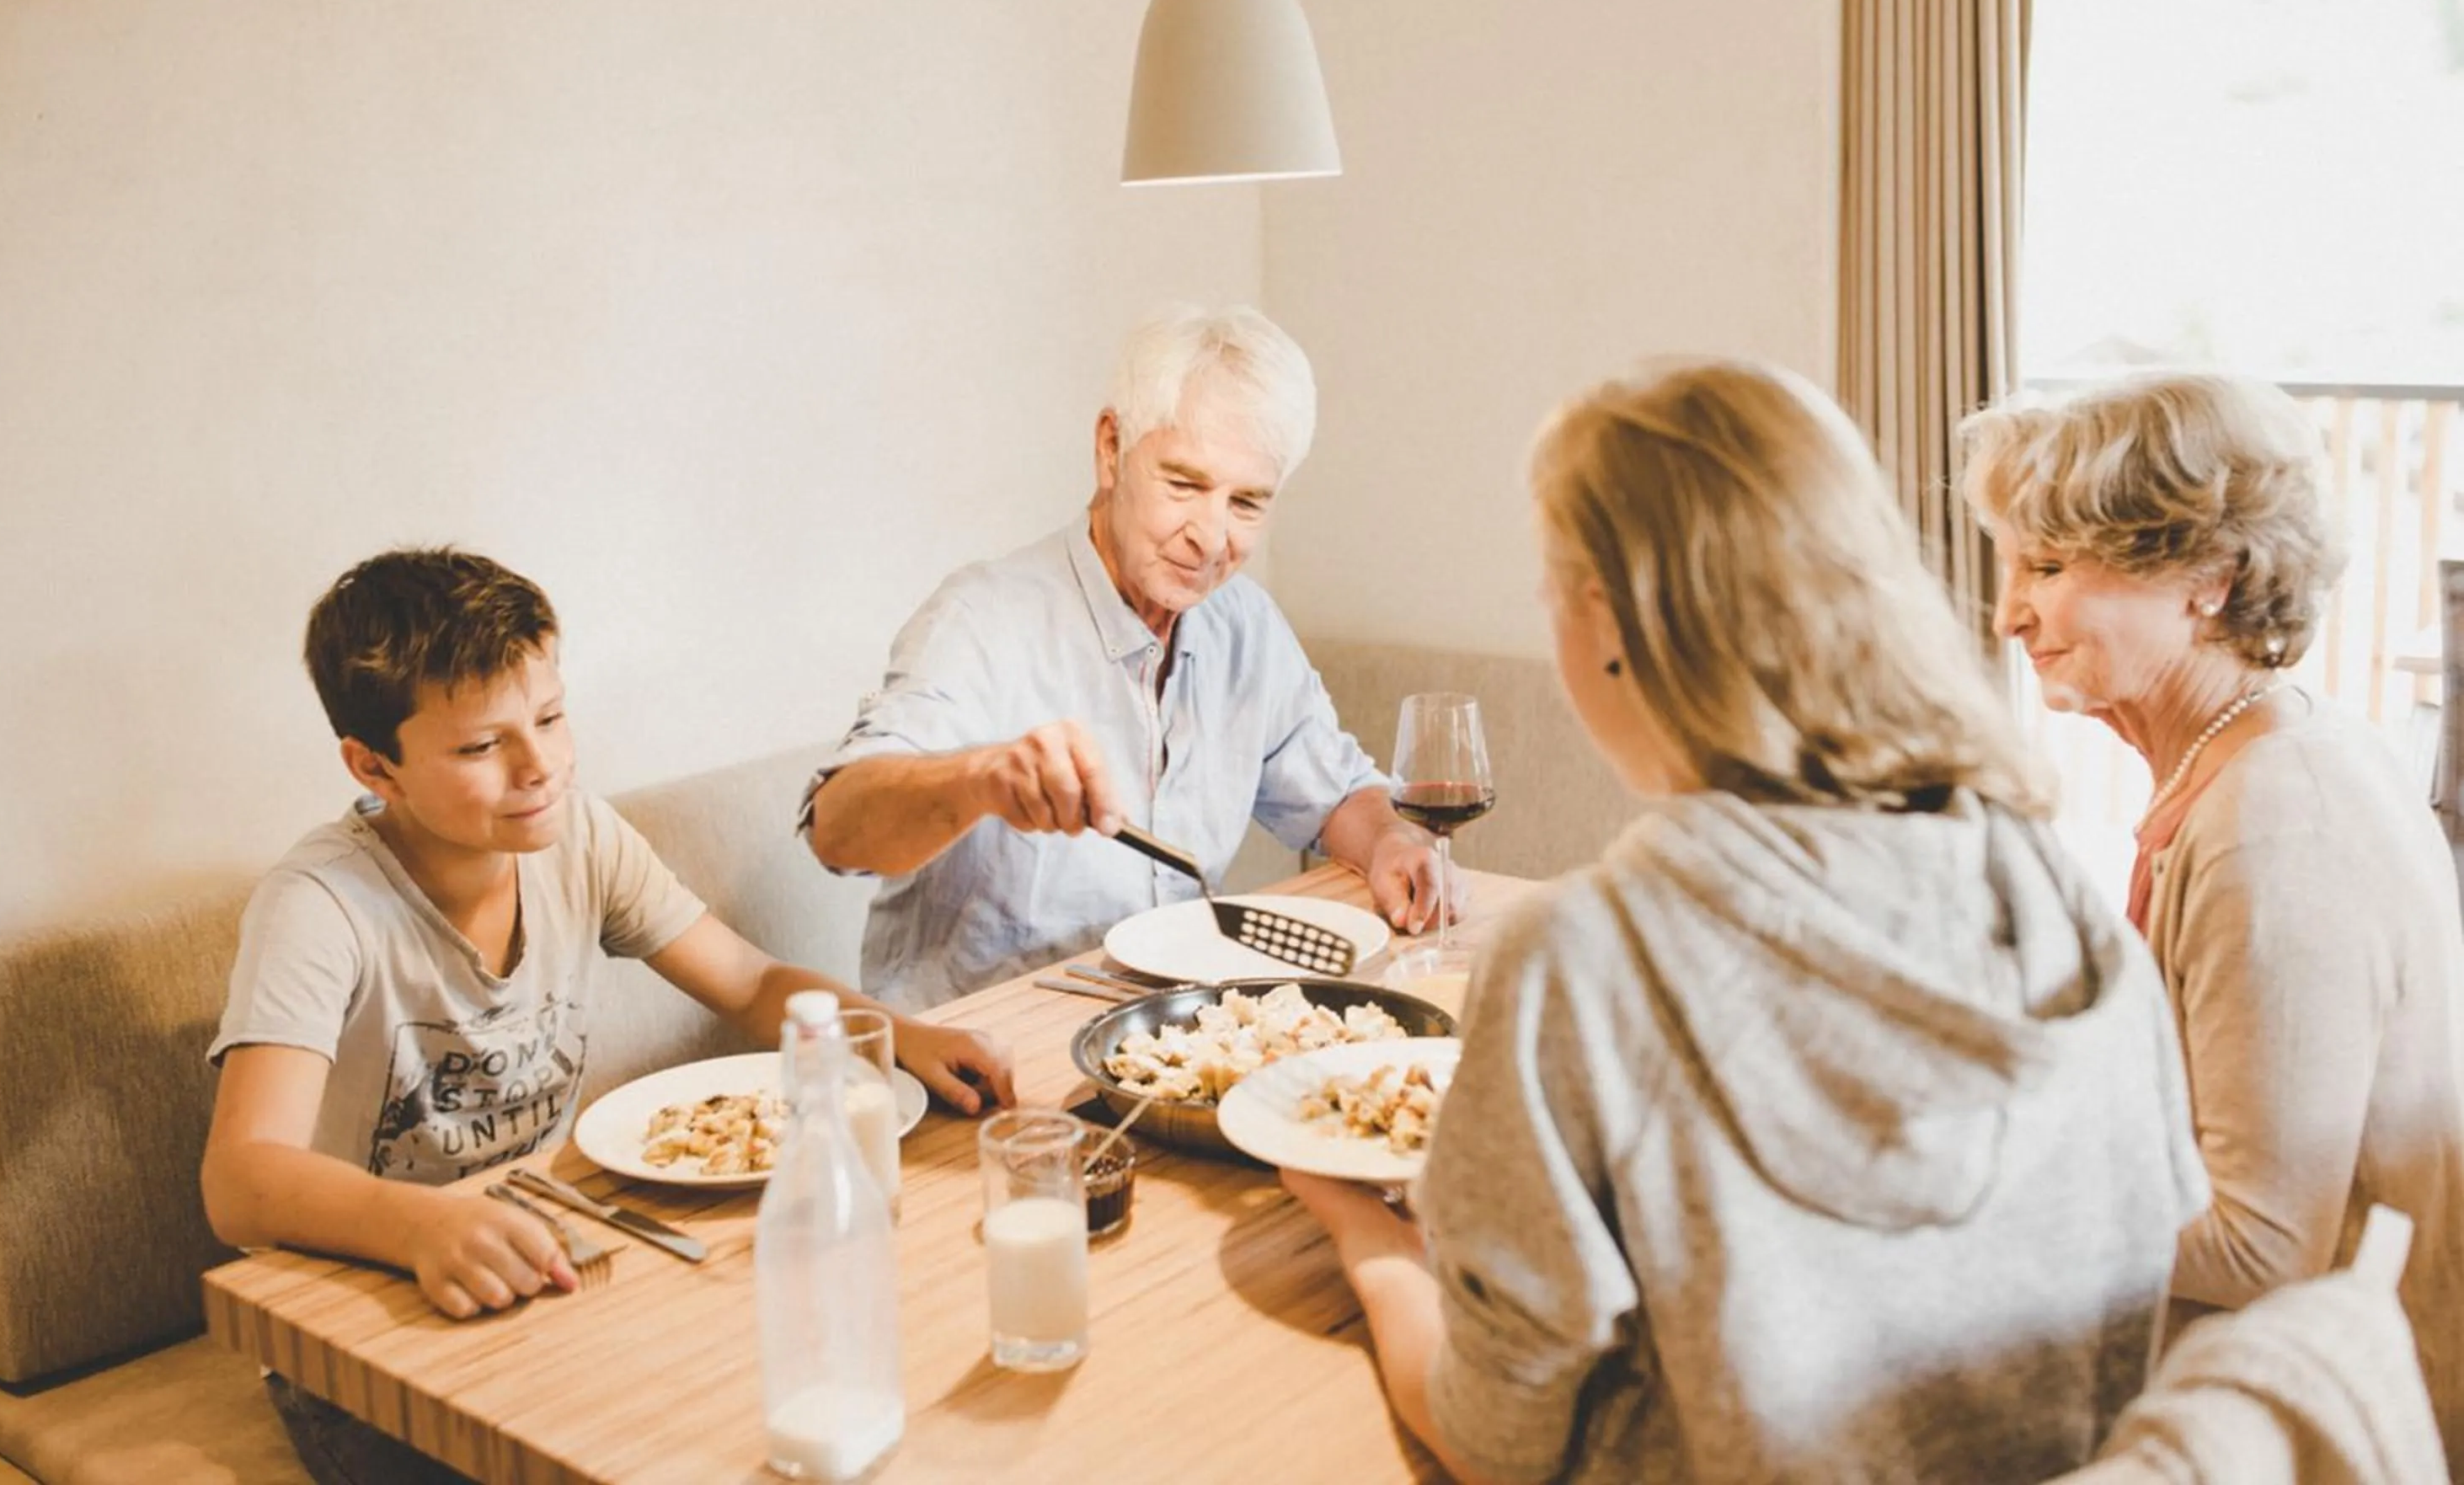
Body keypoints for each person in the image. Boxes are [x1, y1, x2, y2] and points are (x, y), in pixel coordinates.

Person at [1285, 356, 2210, 1484]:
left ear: (1610, 617)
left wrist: (1365, 1234)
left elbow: (1494, 1441)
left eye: (1549, 588)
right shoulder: (2061, 908)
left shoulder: (1585, 960)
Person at [203, 548, 1012, 1485]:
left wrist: (899, 1034)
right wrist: (420, 1227)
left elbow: (751, 983)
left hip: (548, 1265)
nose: (539, 766)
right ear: (373, 764)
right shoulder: (320, 906)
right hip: (357, 1330)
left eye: (549, 718)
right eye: (481, 747)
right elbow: (242, 1178)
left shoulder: (578, 836)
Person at [1963, 368, 2464, 1472]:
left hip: (2323, 1421)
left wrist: (1986, 1193)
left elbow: (2260, 1246)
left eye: (2047, 567)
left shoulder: (2275, 823)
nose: (2007, 615)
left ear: (2209, 578)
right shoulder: (2255, 757)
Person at [801, 304, 1441, 1009]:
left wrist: (1388, 842)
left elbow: (1336, 790)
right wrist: (980, 779)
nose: (1211, 537)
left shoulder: (1245, 625)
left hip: (1167, 1032)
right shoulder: (981, 620)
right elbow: (838, 830)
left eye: (1247, 503)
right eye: (1185, 485)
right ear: (1111, 449)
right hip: (985, 1046)